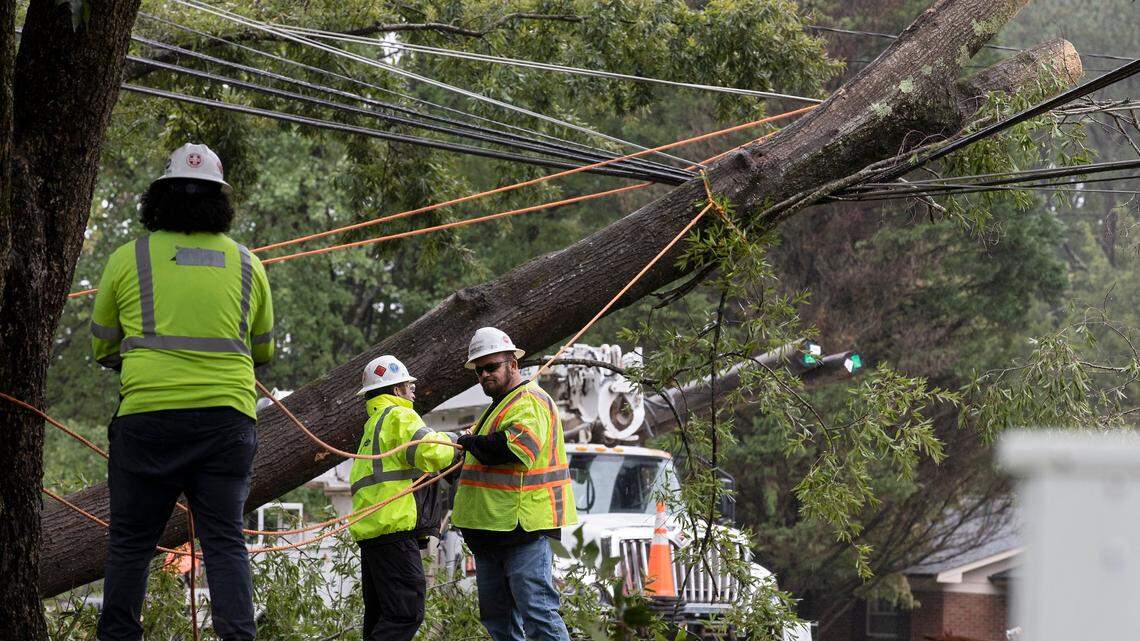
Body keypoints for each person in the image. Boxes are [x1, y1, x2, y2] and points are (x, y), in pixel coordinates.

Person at [92, 143, 273, 641]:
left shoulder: (126, 259)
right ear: (221, 202)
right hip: (227, 422)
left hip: (147, 420)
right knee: (225, 544)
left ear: (159, 198)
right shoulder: (247, 263)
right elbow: (264, 349)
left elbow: (102, 344)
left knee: (131, 544)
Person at [450, 327, 578, 641]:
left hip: (523, 529)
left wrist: (472, 442)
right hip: (490, 531)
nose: (484, 376)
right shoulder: (499, 405)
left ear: (513, 364)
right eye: (479, 371)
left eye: (491, 367)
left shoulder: (530, 399)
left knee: (539, 617)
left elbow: (515, 448)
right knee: (500, 624)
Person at [348, 355, 460, 641]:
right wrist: (455, 442)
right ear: (396, 390)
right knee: (406, 612)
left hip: (373, 534)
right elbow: (432, 452)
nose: (413, 391)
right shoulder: (400, 415)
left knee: (380, 616)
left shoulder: (372, 426)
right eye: (409, 386)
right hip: (394, 530)